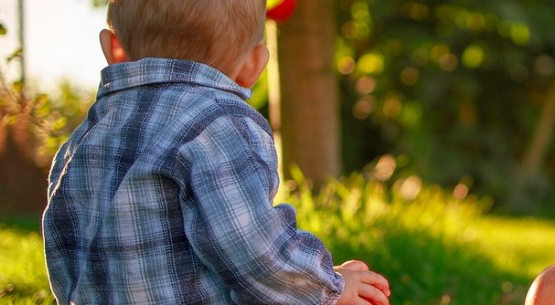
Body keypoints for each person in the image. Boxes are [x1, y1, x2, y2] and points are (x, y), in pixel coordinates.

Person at [41, 0, 391, 304]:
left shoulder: (84, 138)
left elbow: (62, 249)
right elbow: (254, 250)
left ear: (113, 49)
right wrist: (328, 286)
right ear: (253, 65)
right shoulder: (218, 123)